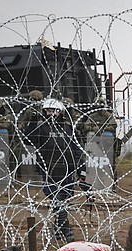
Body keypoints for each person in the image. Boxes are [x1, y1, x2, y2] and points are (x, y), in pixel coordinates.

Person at [23, 97, 86, 242]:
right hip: (48, 170)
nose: (50, 114)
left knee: (63, 201)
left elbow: (77, 150)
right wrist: (33, 121)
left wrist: (82, 169)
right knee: (58, 199)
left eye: (53, 111)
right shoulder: (41, 128)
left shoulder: (68, 128)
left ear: (60, 112)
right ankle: (67, 231)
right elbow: (27, 139)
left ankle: (57, 230)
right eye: (47, 111)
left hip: (67, 170)